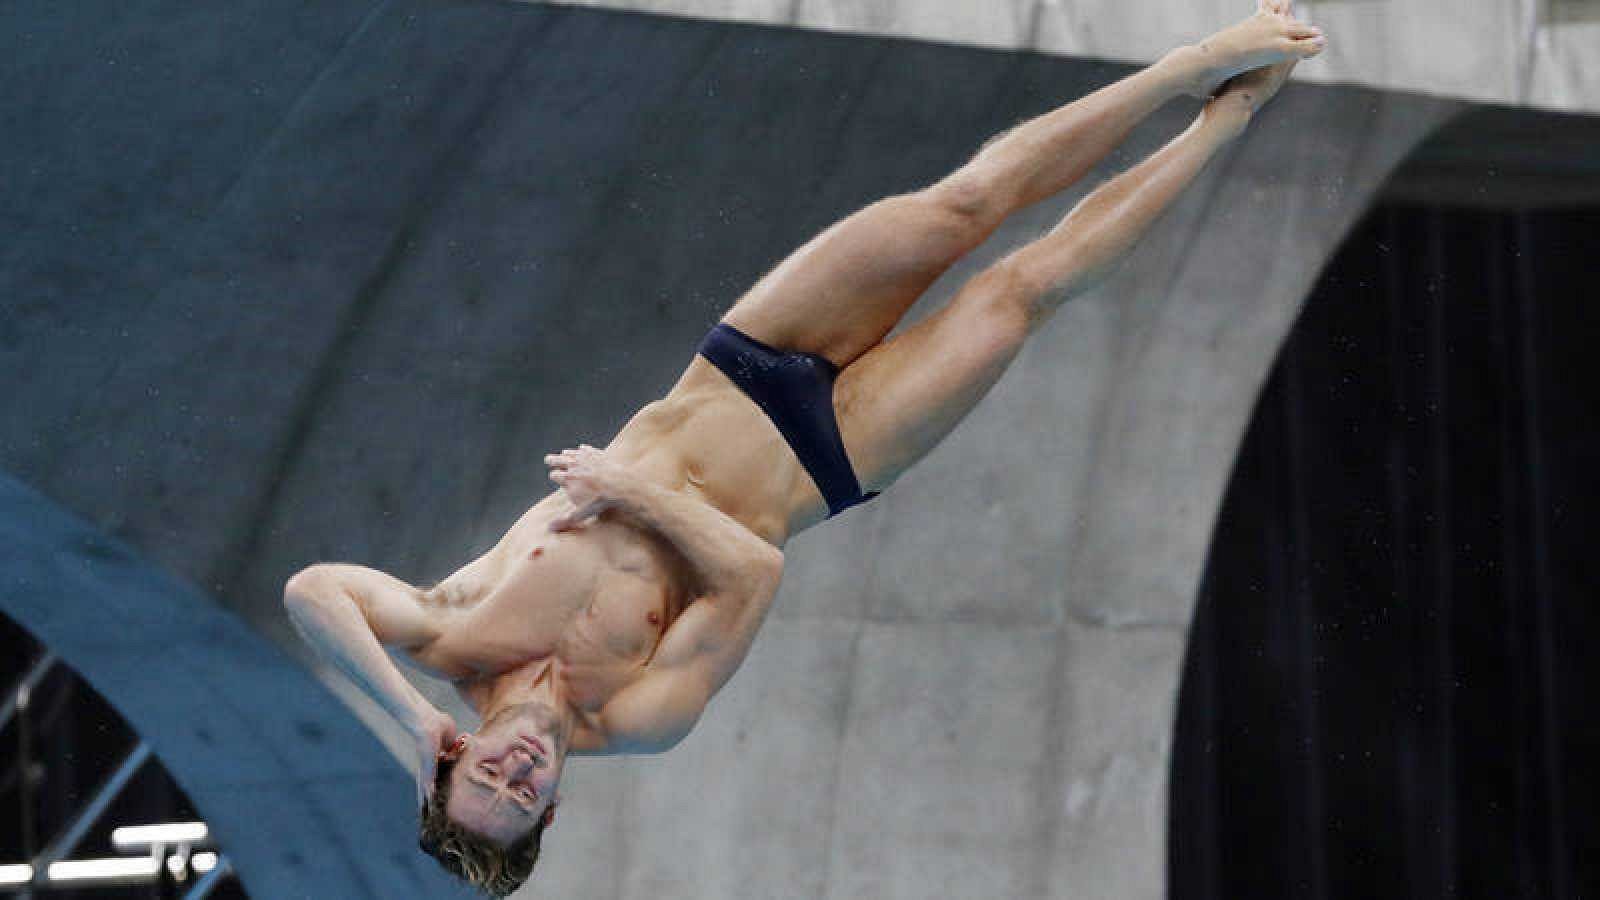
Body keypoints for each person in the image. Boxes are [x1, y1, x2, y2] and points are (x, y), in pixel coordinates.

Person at [283, 2, 1326, 893]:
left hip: (743, 365)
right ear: (553, 810)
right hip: (832, 458)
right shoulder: (634, 718)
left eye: (487, 779)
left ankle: (1184, 70)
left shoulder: (450, 637)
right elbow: (750, 570)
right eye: (527, 797)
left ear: (454, 761)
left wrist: (409, 723)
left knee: (962, 205)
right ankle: (1222, 125)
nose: (517, 771)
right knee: (1020, 291)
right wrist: (627, 494)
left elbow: (310, 591)